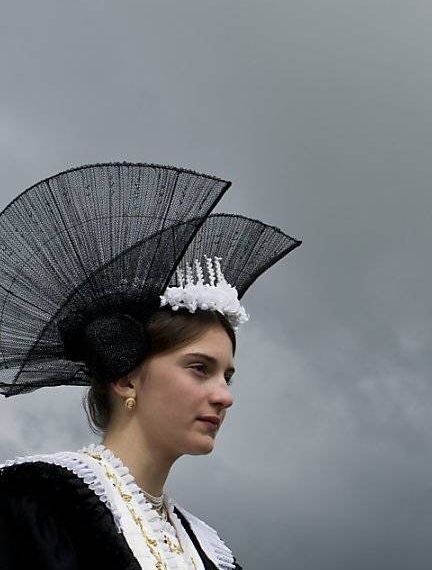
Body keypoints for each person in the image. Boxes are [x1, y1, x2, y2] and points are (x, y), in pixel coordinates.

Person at [0, 163, 300, 569]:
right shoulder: (34, 499)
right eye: (199, 368)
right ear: (125, 377)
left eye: (227, 376)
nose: (224, 396)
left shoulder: (211, 553)